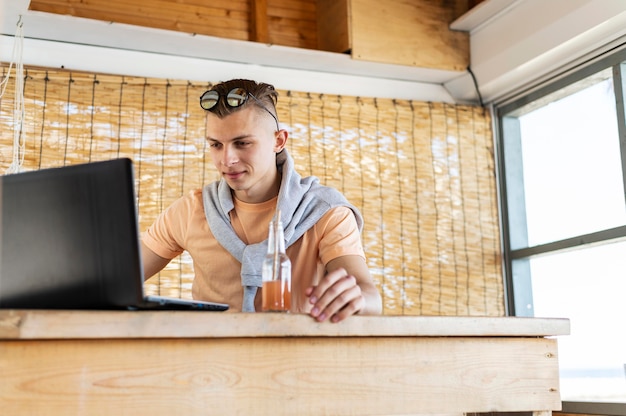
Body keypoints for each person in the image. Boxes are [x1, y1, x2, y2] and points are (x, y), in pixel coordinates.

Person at [140, 78, 382, 323]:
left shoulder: (326, 212)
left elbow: (370, 296)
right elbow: (119, 280)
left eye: (242, 143)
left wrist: (358, 298)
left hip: (298, 356)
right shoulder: (190, 211)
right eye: (216, 145)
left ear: (279, 141)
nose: (227, 159)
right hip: (210, 359)